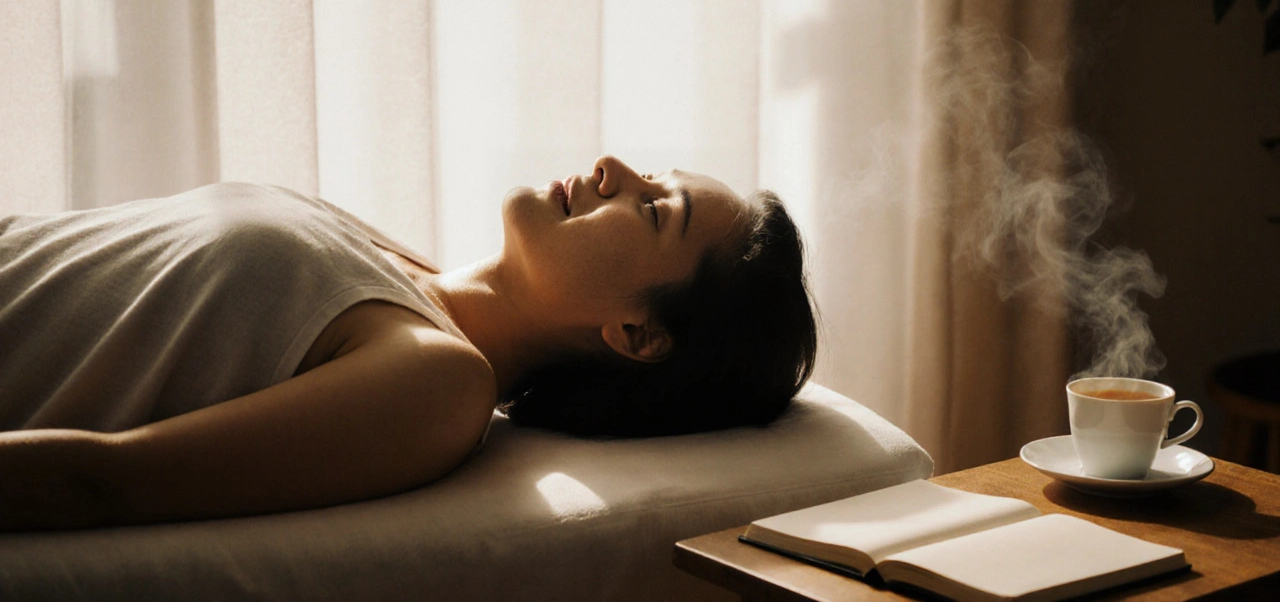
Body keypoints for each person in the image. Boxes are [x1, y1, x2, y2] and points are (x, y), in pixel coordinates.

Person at [0, 156, 817, 531]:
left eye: (651, 209)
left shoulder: (436, 383)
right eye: (647, 174)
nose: (611, 169)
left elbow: (106, 479)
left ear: (638, 335)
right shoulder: (392, 260)